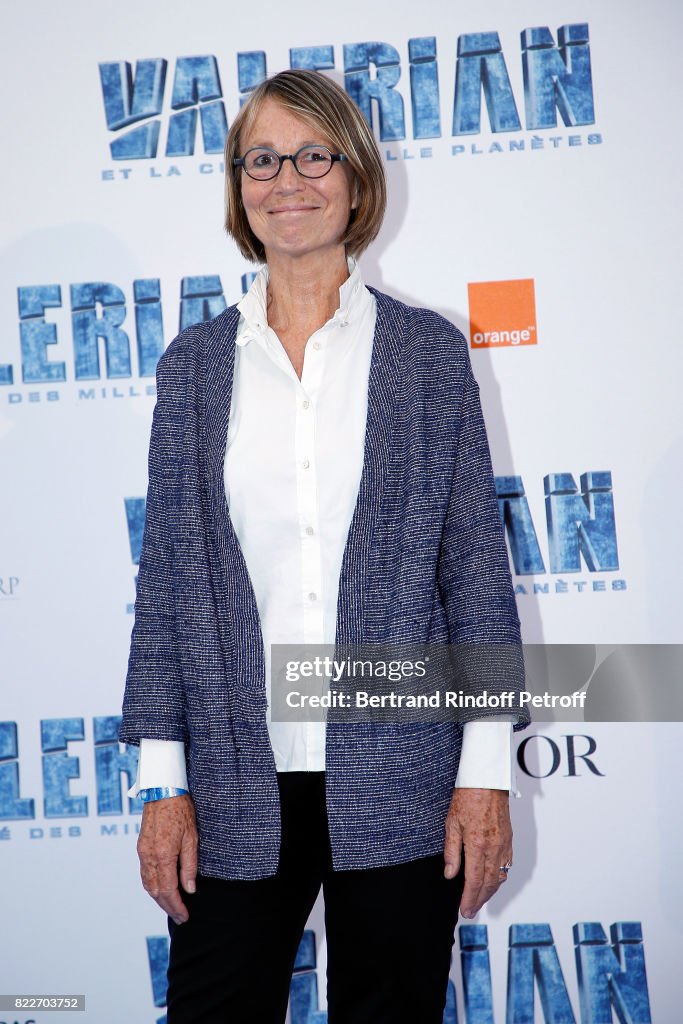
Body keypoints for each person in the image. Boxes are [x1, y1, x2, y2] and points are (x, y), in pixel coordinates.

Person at [119, 68, 530, 1024]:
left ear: (354, 178)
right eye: (261, 158)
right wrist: (161, 785)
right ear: (237, 184)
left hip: (402, 772)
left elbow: (473, 569)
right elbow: (170, 584)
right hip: (227, 781)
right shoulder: (191, 368)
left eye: (314, 155)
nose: (286, 180)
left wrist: (483, 773)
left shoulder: (427, 355)